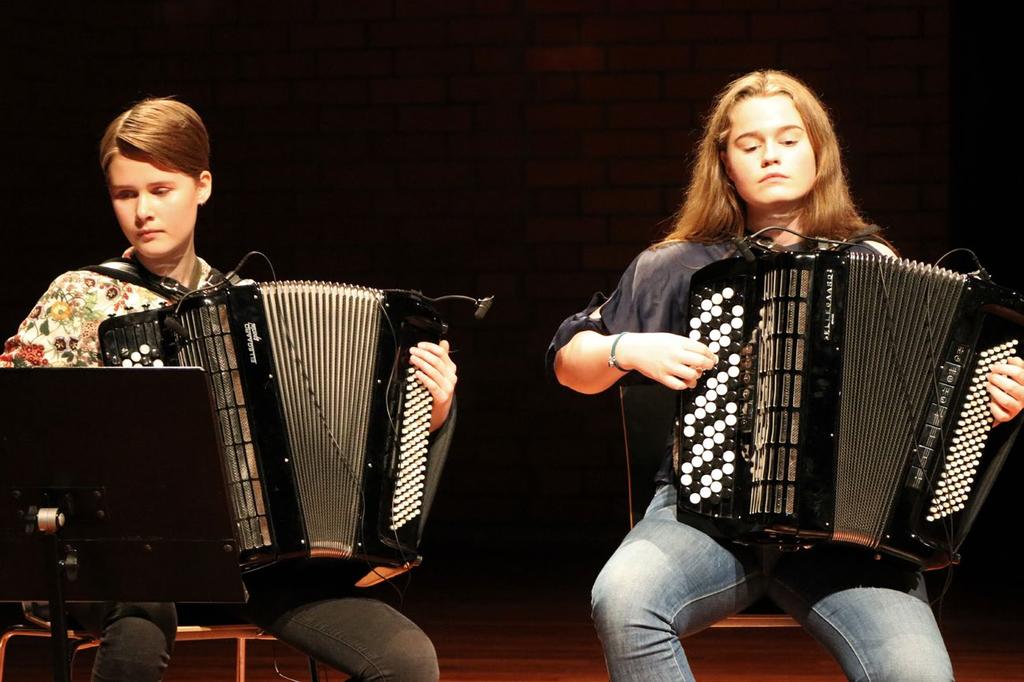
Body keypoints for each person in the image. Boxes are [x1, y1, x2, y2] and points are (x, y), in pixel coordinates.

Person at [548, 70, 1024, 681]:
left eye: (789, 139)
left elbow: (928, 410)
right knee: (623, 600)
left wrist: (987, 400)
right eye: (750, 144)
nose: (771, 155)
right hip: (704, 518)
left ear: (818, 152)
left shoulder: (871, 263)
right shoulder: (676, 264)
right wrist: (625, 348)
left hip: (845, 539)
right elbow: (571, 366)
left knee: (918, 674)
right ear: (724, 162)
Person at [1, 98, 456, 681]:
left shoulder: (247, 310)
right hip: (110, 564)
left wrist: (426, 413)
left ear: (202, 186)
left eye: (160, 190)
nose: (142, 211)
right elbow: (15, 424)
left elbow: (326, 445)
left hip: (247, 567)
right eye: (125, 194)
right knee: (142, 619)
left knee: (405, 659)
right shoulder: (79, 298)